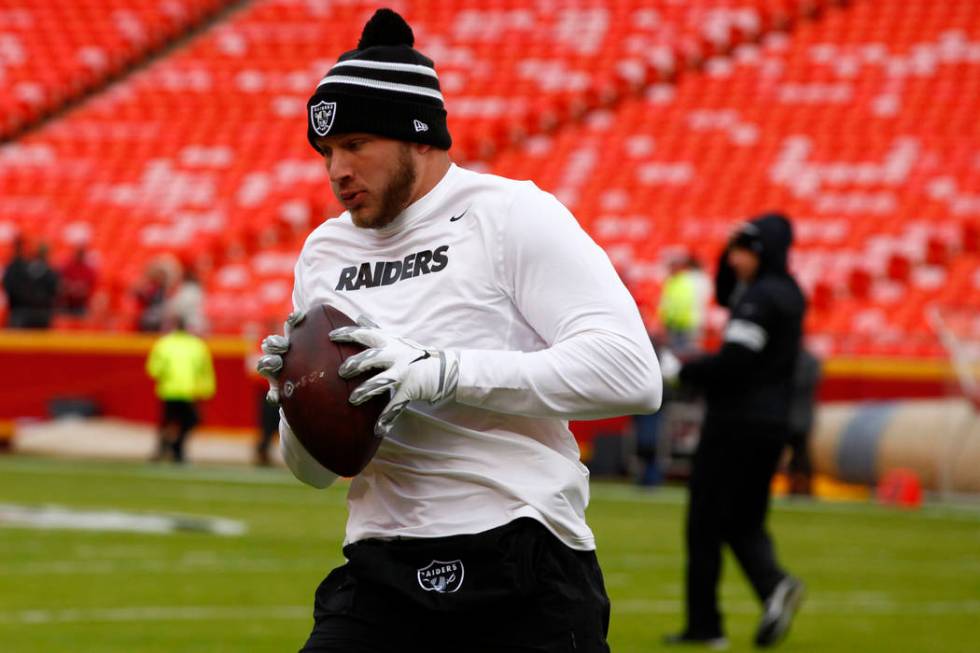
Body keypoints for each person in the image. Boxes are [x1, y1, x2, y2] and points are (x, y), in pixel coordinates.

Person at [256, 9, 662, 652]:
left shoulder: (509, 215)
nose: (337, 171)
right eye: (326, 152)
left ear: (420, 136)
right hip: (381, 563)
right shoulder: (323, 252)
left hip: (522, 557)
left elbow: (632, 375)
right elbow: (312, 474)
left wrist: (439, 372)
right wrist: (297, 402)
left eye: (356, 144)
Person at [666, 214, 806, 649]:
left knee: (705, 523)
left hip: (736, 424)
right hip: (770, 424)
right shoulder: (787, 293)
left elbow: (735, 362)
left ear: (761, 251)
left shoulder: (762, 297)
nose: (733, 259)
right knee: (743, 521)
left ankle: (706, 626)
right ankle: (772, 587)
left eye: (741, 250)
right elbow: (728, 293)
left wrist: (683, 371)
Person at [146, 316, 216, 463]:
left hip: (169, 390)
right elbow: (205, 370)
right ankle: (176, 448)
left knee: (168, 422)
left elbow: (153, 369)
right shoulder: (197, 345)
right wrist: (207, 389)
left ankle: (164, 448)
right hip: (189, 391)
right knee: (188, 422)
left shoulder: (164, 343)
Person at [786, 348, 821, 496]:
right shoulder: (811, 361)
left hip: (793, 418)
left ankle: (802, 487)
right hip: (799, 417)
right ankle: (800, 487)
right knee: (800, 455)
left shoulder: (806, 361)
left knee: (800, 455)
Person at [59, 245, 98, 316]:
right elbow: (62, 283)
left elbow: (90, 286)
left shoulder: (88, 270)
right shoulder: (68, 267)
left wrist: (81, 289)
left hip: (81, 304)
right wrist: (70, 287)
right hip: (67, 303)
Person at [2, 236, 30, 327]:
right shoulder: (12, 266)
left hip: (28, 307)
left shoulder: (28, 264)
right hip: (16, 307)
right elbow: (7, 284)